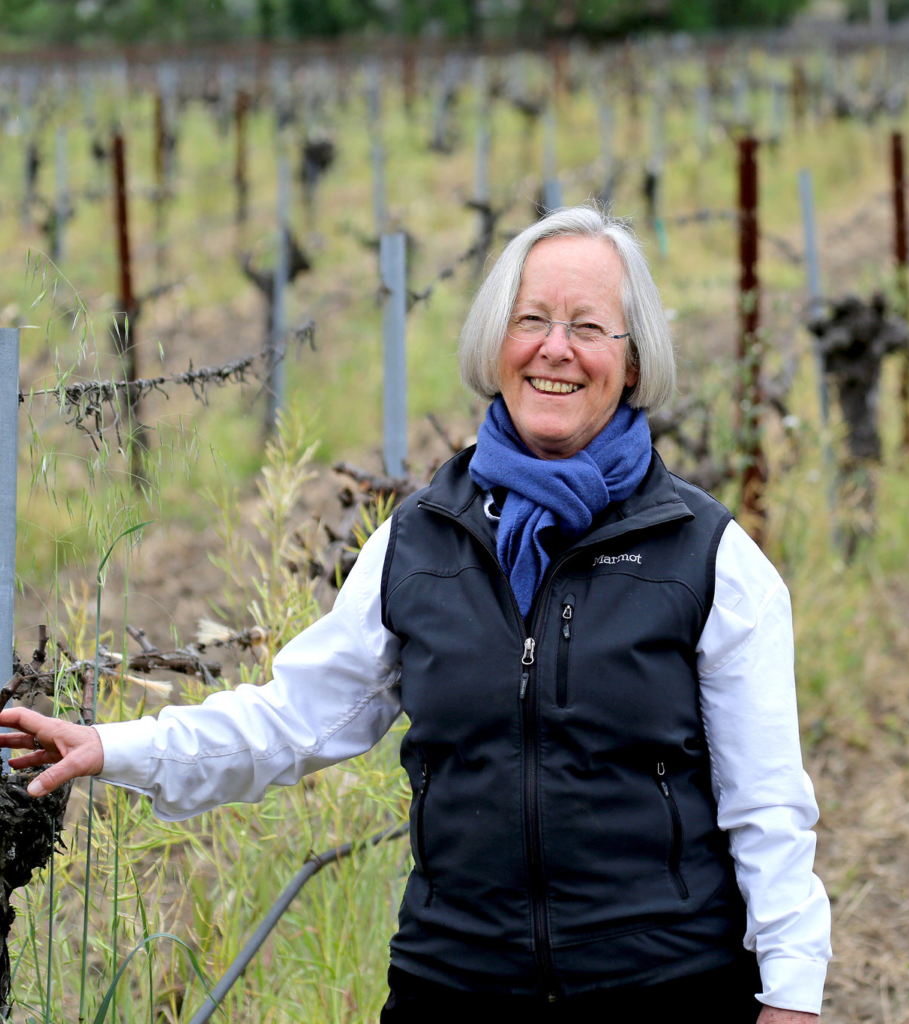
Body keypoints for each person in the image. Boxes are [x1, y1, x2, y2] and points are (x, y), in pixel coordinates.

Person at [1, 206, 830, 1023]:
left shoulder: (708, 557)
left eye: (589, 327)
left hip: (664, 987)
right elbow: (295, 720)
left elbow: (767, 805)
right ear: (494, 343)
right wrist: (114, 746)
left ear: (636, 361)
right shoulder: (421, 540)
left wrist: (791, 994)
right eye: (531, 320)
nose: (555, 349)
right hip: (455, 985)